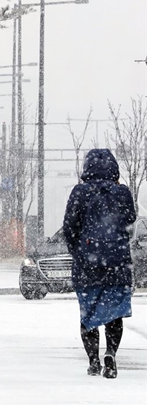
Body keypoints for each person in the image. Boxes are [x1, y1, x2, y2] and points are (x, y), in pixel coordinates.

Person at [62, 149, 136, 379]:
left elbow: (69, 227)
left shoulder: (79, 192)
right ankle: (111, 354)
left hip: (88, 264)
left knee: (89, 312)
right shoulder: (123, 192)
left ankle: (93, 360)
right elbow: (130, 220)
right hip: (118, 263)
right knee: (114, 313)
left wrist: (80, 252)